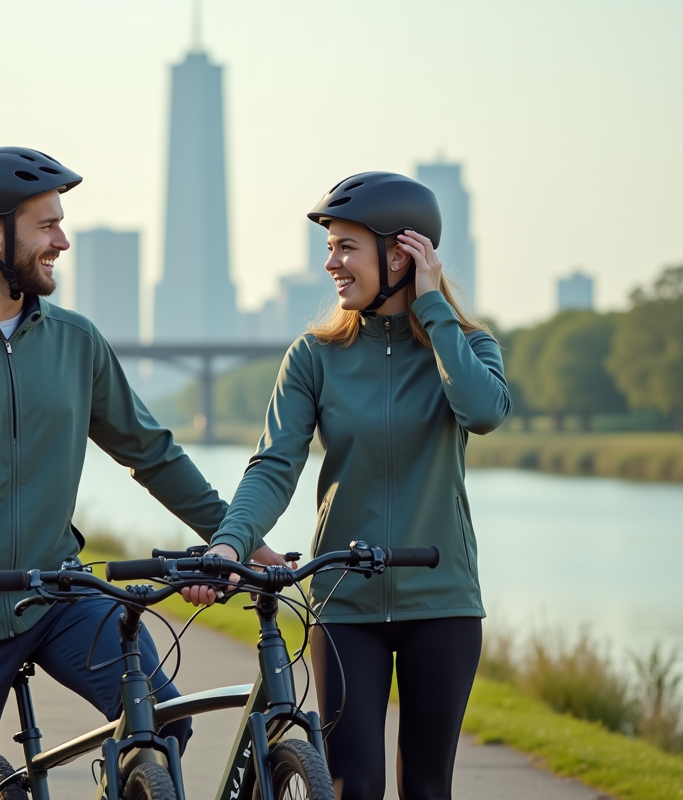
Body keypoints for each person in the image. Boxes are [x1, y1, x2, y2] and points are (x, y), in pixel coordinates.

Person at [0, 146, 282, 799]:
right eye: (47, 225)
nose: (63, 240)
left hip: (59, 595)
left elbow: (151, 453)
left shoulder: (76, 341)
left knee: (162, 725)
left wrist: (238, 536)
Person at [184, 172, 512, 800]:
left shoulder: (465, 345)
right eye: (329, 247)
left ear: (401, 253)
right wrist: (228, 546)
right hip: (344, 607)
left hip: (441, 602)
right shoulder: (313, 355)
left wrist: (433, 305)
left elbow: (485, 412)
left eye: (345, 247)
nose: (331, 263)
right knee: (350, 784)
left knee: (426, 786)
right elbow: (274, 467)